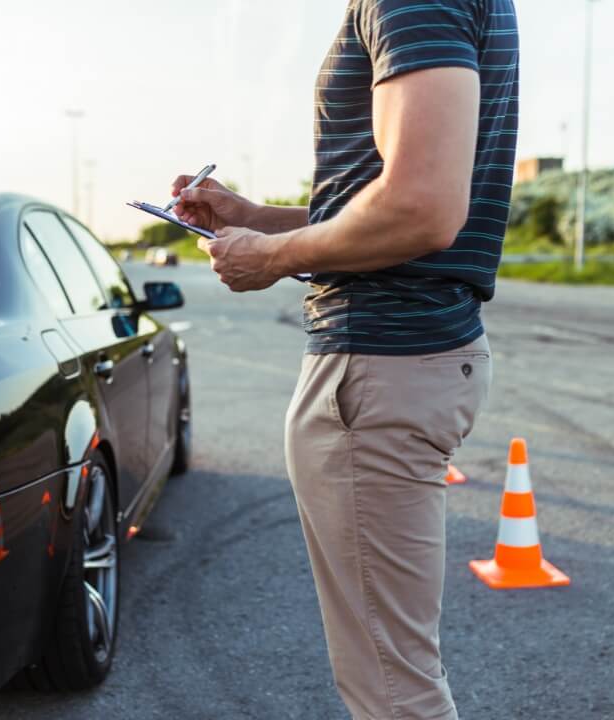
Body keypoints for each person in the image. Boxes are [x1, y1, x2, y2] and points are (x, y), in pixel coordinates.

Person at [172, 1, 519, 717]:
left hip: (380, 365)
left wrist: (268, 256)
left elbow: (422, 206)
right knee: (392, 675)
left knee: (392, 689)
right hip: (400, 364)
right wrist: (255, 219)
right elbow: (389, 195)